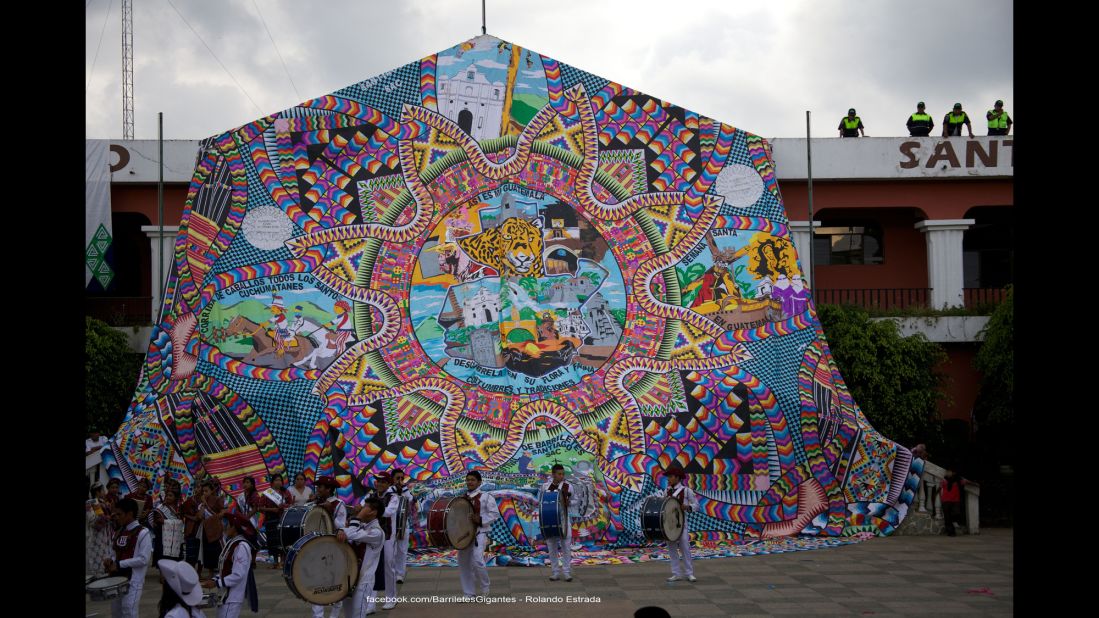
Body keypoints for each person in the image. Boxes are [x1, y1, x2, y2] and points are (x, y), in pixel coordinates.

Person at [102, 498, 153, 618]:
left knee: (129, 611)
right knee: (116, 612)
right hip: (116, 579)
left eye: (119, 514)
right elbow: (113, 552)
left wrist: (119, 564)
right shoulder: (118, 531)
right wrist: (110, 560)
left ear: (130, 514)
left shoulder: (144, 533)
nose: (116, 517)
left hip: (133, 580)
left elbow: (144, 559)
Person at [201, 513, 259, 618]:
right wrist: (214, 580)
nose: (223, 526)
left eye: (227, 524)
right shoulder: (232, 543)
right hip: (225, 595)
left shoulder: (241, 547)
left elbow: (238, 575)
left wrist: (216, 583)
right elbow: (226, 570)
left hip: (232, 597)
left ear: (235, 528)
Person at [338, 497, 386, 617]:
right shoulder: (362, 526)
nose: (361, 508)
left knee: (358, 615)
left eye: (365, 507)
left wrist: (357, 517)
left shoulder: (377, 532)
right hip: (349, 578)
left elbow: (352, 533)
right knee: (348, 615)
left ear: (373, 512)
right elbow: (346, 530)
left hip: (363, 582)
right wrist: (340, 530)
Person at [458, 470, 498, 598]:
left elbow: (494, 514)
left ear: (479, 482)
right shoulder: (461, 498)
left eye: (472, 480)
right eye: (468, 479)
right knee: (463, 562)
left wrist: (480, 519)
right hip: (464, 534)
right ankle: (468, 593)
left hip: (480, 532)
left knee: (477, 560)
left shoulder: (486, 496)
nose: (469, 482)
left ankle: (485, 587)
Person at [311, 476, 347, 618]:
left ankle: (335, 614)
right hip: (316, 547)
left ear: (329, 489)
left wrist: (330, 511)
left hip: (333, 548)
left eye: (320, 487)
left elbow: (342, 526)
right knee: (316, 583)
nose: (318, 489)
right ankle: (317, 615)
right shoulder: (314, 502)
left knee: (336, 583)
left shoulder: (339, 504)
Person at [660, 466, 699, 583]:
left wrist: (688, 507)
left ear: (677, 478)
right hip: (669, 525)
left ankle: (689, 573)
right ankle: (676, 573)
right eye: (668, 477)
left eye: (671, 477)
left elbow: (697, 505)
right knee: (671, 549)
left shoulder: (686, 491)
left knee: (685, 548)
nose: (668, 479)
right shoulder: (666, 491)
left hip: (682, 524)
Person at [538, 464, 574, 582]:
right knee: (552, 547)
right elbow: (541, 502)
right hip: (549, 520)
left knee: (566, 547)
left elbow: (575, 500)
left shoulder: (568, 487)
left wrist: (570, 503)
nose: (562, 476)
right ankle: (555, 572)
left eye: (563, 474)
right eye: (559, 474)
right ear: (553, 474)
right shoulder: (545, 487)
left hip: (564, 520)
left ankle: (567, 572)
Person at [257, 473, 292, 569]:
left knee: (283, 540)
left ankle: (283, 562)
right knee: (273, 541)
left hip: (283, 519)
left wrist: (283, 506)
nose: (278, 482)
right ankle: (276, 562)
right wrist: (272, 510)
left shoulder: (285, 493)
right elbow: (260, 508)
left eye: (280, 480)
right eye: (276, 480)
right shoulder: (267, 493)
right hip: (271, 519)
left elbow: (290, 504)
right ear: (272, 482)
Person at [375, 473, 398, 610]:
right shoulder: (370, 496)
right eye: (379, 481)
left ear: (389, 484)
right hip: (372, 536)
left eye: (383, 482)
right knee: (371, 568)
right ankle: (370, 603)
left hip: (389, 536)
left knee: (388, 565)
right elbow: (360, 508)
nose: (380, 484)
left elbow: (389, 512)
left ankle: (391, 598)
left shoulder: (393, 497)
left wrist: (371, 510)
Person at [389, 468, 415, 584]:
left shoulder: (405, 490)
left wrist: (403, 489)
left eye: (402, 478)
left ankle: (400, 574)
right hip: (390, 525)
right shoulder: (389, 490)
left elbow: (411, 499)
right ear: (392, 479)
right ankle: (391, 573)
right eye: (397, 478)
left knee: (402, 550)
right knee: (391, 551)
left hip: (404, 524)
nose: (400, 481)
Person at [201, 481, 229, 579]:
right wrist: (203, 504)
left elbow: (223, 511)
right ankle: (210, 572)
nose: (204, 493)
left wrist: (214, 517)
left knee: (218, 549)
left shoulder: (217, 500)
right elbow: (200, 515)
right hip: (206, 528)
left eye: (206, 491)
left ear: (211, 491)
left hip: (216, 527)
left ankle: (222, 570)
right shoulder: (202, 502)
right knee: (208, 551)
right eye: (203, 491)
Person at [86, 483, 114, 577]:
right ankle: (97, 576)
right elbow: (92, 520)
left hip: (106, 534)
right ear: (97, 492)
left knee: (106, 555)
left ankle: (105, 574)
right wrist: (105, 518)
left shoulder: (104, 502)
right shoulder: (90, 503)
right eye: (102, 490)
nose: (104, 492)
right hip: (96, 536)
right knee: (96, 557)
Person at [153, 487, 186, 562]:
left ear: (175, 498)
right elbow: (157, 520)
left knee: (174, 560)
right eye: (167, 495)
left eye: (170, 496)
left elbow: (181, 522)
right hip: (162, 535)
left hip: (176, 538)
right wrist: (163, 521)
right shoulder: (161, 507)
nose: (168, 497)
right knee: (162, 558)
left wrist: (165, 521)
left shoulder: (179, 508)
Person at [180, 483, 205, 570]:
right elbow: (182, 513)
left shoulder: (205, 502)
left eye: (200, 487)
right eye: (197, 487)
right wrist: (193, 518)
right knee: (191, 553)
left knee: (200, 553)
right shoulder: (190, 500)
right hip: (191, 529)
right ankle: (190, 572)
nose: (198, 489)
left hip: (202, 529)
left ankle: (199, 573)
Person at [940, 469, 968, 537]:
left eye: (949, 472)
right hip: (946, 501)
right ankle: (951, 532)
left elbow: (966, 482)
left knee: (956, 513)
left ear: (953, 473)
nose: (947, 473)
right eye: (947, 472)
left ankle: (953, 525)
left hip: (955, 501)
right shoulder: (944, 480)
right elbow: (941, 489)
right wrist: (941, 499)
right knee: (947, 518)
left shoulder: (958, 480)